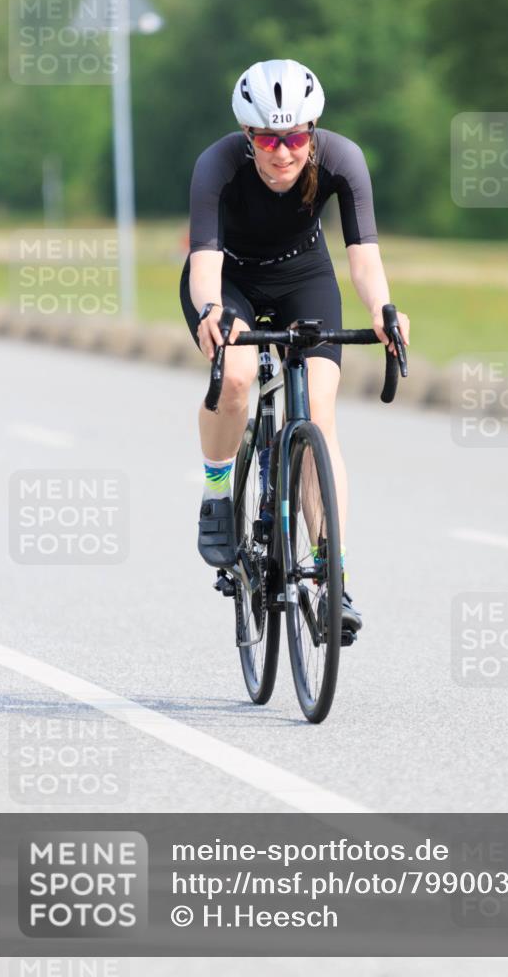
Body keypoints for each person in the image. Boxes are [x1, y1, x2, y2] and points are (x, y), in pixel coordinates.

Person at [179, 58, 409, 638]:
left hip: (302, 275)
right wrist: (211, 312)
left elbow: (364, 260)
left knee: (319, 417)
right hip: (227, 279)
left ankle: (332, 575)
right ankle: (215, 492)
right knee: (234, 379)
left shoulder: (342, 160)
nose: (283, 152)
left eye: (296, 136)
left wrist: (384, 313)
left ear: (313, 131)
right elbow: (203, 265)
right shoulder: (217, 166)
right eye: (268, 139)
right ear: (248, 137)